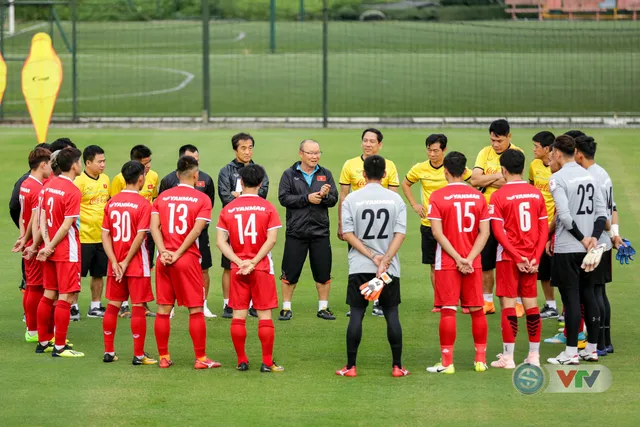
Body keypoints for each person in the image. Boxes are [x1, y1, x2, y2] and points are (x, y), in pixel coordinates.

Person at [336, 155, 409, 378]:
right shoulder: (395, 200)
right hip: (388, 270)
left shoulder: (352, 199)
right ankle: (397, 367)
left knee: (357, 313)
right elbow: (400, 234)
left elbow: (347, 233)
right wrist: (385, 260)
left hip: (360, 265)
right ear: (385, 175)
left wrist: (371, 256)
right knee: (391, 313)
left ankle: (351, 367)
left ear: (364, 175)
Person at [150, 155, 220, 369]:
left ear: (177, 175)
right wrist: (179, 253)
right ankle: (200, 359)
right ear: (196, 175)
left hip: (164, 259)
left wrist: (164, 252)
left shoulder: (162, 197)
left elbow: (154, 227)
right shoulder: (202, 199)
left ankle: (163, 357)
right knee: (196, 309)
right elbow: (197, 230)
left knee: (163, 309)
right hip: (186, 259)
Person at [426, 151, 490, 374]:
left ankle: (447, 363)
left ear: (445, 171)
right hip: (474, 262)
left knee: (448, 310)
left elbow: (437, 233)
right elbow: (485, 233)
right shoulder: (478, 197)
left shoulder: (437, 196)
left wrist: (457, 258)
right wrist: (469, 258)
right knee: (477, 310)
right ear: (465, 172)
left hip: (447, 262)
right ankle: (480, 361)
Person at [217, 164, 284, 373]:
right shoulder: (268, 207)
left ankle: (242, 360)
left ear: (241, 183)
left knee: (238, 315)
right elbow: (271, 240)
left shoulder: (228, 208)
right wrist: (253, 262)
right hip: (261, 267)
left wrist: (239, 262)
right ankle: (266, 362)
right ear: (261, 183)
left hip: (238, 269)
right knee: (264, 316)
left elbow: (221, 242)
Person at [546, 135, 607, 365]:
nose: (551, 158)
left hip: (568, 248)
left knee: (571, 299)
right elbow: (602, 213)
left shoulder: (557, 179)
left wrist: (582, 239)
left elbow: (564, 215)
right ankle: (591, 348)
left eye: (552, 154)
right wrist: (592, 237)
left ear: (559, 154)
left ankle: (570, 352)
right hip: (591, 247)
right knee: (589, 294)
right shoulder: (590, 176)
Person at [489, 149, 548, 368]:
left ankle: (508, 357)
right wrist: (535, 257)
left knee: (508, 304)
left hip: (508, 258)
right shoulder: (536, 194)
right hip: (532, 259)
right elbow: (543, 229)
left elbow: (498, 232)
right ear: (523, 168)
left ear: (503, 170)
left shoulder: (499, 195)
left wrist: (516, 257)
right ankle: (534, 356)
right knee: (531, 304)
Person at [401, 134, 472, 313]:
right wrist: (414, 204)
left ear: (444, 150)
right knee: (434, 264)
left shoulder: (452, 167)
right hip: (430, 224)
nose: (431, 154)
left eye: (435, 151)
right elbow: (406, 183)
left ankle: (464, 301)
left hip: (453, 225)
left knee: (460, 261)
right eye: (429, 150)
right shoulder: (420, 168)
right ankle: (440, 301)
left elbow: (473, 180)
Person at [338, 128, 399, 317]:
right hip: (357, 226)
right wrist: (342, 223)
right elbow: (344, 195)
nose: (368, 144)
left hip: (382, 225)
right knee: (357, 260)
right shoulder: (350, 164)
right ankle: (358, 300)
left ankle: (379, 300)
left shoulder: (389, 165)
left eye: (372, 141)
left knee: (383, 261)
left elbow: (394, 196)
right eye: (365, 140)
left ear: (380, 144)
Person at [101, 161, 157, 365]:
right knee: (138, 307)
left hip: (114, 265)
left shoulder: (112, 202)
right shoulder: (144, 204)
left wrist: (115, 261)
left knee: (113, 306)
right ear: (141, 178)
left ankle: (109, 352)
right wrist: (125, 262)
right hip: (136, 264)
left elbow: (104, 235)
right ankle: (138, 355)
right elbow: (141, 236)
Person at [277, 140, 338, 321]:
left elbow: (334, 199)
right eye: (311, 153)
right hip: (296, 232)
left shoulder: (325, 174)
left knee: (323, 272)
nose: (315, 157)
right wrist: (307, 198)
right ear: (301, 154)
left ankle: (323, 307)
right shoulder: (289, 174)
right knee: (290, 271)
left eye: (317, 153)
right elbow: (284, 198)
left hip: (320, 231)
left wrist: (325, 196)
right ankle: (286, 308)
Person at [469, 119, 524, 316]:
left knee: (511, 258)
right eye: (492, 140)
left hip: (509, 214)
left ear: (509, 136)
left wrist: (488, 180)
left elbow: (512, 181)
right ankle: (488, 301)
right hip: (487, 214)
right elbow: (474, 180)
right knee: (486, 259)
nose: (495, 144)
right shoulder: (485, 152)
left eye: (499, 140)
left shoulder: (517, 153)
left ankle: (517, 301)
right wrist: (498, 178)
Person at [35, 147, 85, 357]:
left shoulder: (48, 185)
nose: (80, 165)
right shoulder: (73, 190)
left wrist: (46, 245)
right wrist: (51, 246)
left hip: (50, 249)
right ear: (74, 165)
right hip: (66, 250)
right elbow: (66, 226)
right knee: (66, 296)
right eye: (80, 162)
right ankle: (60, 346)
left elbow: (42, 218)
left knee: (48, 294)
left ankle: (44, 341)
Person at [574, 135, 620, 356]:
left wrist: (610, 234)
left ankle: (598, 344)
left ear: (579, 154)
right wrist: (613, 236)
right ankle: (605, 340)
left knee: (591, 292)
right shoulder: (603, 173)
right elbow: (611, 208)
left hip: (595, 243)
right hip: (605, 243)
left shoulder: (588, 177)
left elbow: (601, 213)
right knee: (600, 292)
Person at [159, 144, 216, 318]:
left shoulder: (206, 179)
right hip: (182, 240)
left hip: (194, 236)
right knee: (194, 310)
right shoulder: (167, 181)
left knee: (204, 269)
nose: (196, 161)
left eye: (197, 159)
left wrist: (162, 251)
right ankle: (174, 305)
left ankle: (204, 303)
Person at [218, 133, 269, 319]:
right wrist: (243, 198)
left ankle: (255, 303)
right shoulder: (226, 171)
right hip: (234, 225)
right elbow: (225, 197)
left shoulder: (259, 170)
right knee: (228, 265)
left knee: (256, 261)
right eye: (243, 148)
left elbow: (262, 194)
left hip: (256, 224)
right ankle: (228, 304)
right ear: (235, 150)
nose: (248, 152)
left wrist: (238, 196)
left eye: (250, 147)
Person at [111, 145, 158, 318]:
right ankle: (125, 305)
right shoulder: (119, 179)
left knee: (147, 268)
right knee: (131, 269)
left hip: (146, 229)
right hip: (128, 232)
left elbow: (153, 197)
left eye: (150, 162)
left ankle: (142, 304)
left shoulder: (153, 176)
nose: (148, 166)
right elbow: (117, 201)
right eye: (145, 163)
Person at [12, 147, 52, 343]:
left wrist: (22, 237)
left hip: (28, 240)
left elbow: (22, 215)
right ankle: (34, 330)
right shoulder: (38, 189)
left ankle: (33, 328)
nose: (51, 168)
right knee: (37, 288)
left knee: (31, 287)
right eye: (50, 164)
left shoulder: (26, 184)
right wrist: (35, 245)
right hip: (35, 243)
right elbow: (37, 221)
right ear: (43, 164)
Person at [74, 145, 110, 318]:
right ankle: (73, 307)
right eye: (99, 161)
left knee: (98, 273)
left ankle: (95, 306)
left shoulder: (105, 179)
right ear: (88, 162)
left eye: (104, 161)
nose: (103, 164)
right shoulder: (79, 181)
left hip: (101, 236)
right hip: (83, 237)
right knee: (77, 275)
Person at [529, 131, 558, 319]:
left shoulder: (558, 168)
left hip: (556, 226)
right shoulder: (534, 166)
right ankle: (551, 306)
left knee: (561, 269)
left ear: (547, 149)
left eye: (536, 146)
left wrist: (552, 228)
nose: (534, 150)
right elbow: (531, 190)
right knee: (543, 269)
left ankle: (567, 309)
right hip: (538, 226)